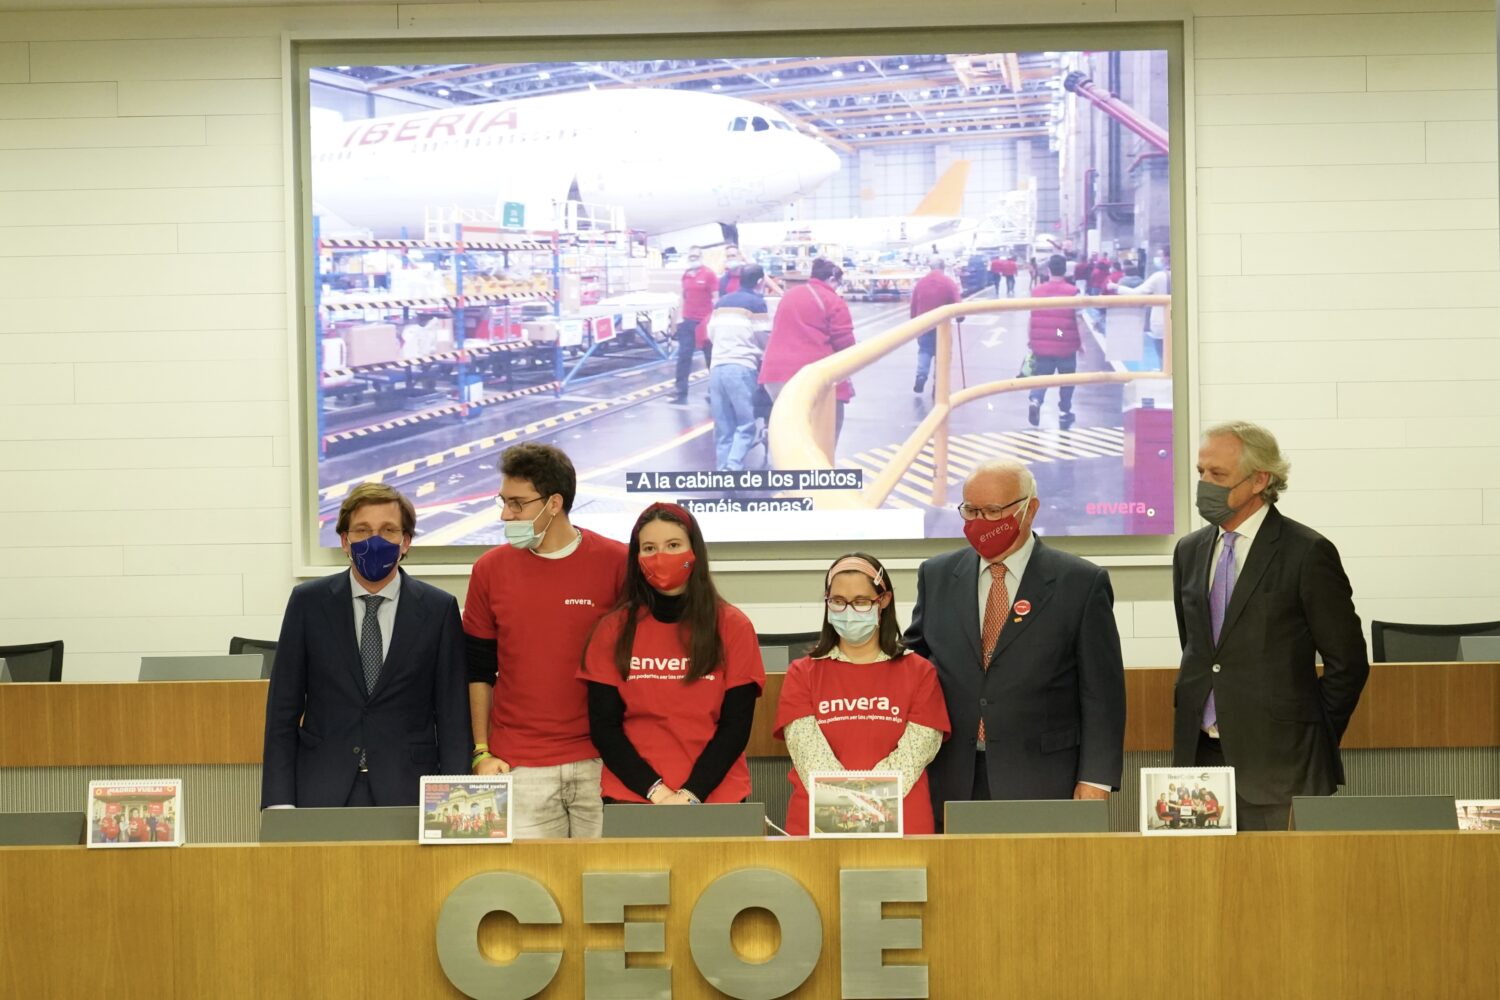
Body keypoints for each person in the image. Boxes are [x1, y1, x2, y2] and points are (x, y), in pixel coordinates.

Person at [904, 459, 1125, 826]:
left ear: (1030, 509)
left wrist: (1095, 778)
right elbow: (915, 665)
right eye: (970, 510)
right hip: (953, 774)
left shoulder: (1080, 583)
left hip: (1045, 776)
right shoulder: (936, 575)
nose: (980, 522)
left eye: (993, 511)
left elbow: (1103, 693)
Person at [1172, 421, 1369, 832]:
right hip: (1199, 766)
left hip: (1282, 767)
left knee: (1281, 875)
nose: (1204, 484)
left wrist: (1310, 735)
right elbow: (1199, 648)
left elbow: (1347, 662)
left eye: (1218, 474)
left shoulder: (1307, 552)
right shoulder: (1189, 551)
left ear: (1260, 480)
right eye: (1201, 472)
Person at [261, 483, 468, 808]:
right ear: (345, 541)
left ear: (406, 541)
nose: (375, 540)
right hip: (321, 788)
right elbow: (282, 712)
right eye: (362, 530)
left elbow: (453, 717)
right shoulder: (308, 603)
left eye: (388, 530)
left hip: (409, 790)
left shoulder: (439, 609)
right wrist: (279, 802)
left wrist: (456, 802)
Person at [465, 443, 627, 838]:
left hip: (602, 763)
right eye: (504, 502)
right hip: (518, 764)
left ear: (554, 503)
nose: (506, 514)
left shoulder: (617, 563)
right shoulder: (488, 570)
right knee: (524, 878)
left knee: (608, 875)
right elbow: (478, 671)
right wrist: (481, 752)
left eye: (517, 504)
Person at [579, 503, 765, 805]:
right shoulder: (612, 630)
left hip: (716, 796)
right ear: (636, 557)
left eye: (673, 545)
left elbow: (735, 728)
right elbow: (605, 729)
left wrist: (691, 794)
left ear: (694, 551)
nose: (660, 556)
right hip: (634, 797)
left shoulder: (733, 626)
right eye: (649, 548)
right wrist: (658, 793)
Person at [773, 554, 950, 835]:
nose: (848, 611)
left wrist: (866, 804)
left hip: (902, 825)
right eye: (838, 601)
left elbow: (915, 753)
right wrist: (848, 806)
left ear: (884, 600)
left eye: (860, 601)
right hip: (818, 825)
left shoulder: (920, 672)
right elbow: (809, 755)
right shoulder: (802, 673)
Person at [759, 257, 856, 442]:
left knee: (789, 433)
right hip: (810, 378)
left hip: (774, 375)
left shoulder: (790, 295)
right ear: (832, 279)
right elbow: (845, 343)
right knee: (822, 437)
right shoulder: (833, 300)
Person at [706, 263, 772, 471]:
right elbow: (763, 336)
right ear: (760, 282)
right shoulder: (756, 303)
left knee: (723, 427)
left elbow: (710, 333)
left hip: (717, 368)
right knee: (745, 424)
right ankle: (732, 468)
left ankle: (722, 471)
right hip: (742, 368)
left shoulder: (722, 302)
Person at [1026, 254, 1083, 430]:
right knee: (1067, 379)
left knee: (1041, 376)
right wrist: (1081, 343)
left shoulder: (1036, 291)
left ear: (1049, 270)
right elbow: (1078, 320)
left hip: (1041, 343)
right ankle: (1064, 411)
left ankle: (1036, 400)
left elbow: (1031, 317)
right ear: (1065, 271)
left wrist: (1030, 339)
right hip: (1064, 339)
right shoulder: (1073, 292)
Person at [909, 255, 962, 395]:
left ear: (930, 267)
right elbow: (957, 303)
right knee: (942, 355)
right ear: (943, 268)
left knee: (924, 351)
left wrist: (913, 323)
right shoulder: (948, 282)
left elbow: (913, 305)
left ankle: (921, 375)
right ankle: (938, 385)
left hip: (924, 324)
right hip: (942, 327)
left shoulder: (921, 283)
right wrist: (960, 317)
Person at [673, 246, 718, 403]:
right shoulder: (686, 275)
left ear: (701, 257)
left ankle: (715, 391)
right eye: (691, 256)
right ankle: (680, 390)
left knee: (710, 357)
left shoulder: (709, 274)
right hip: (688, 321)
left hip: (704, 322)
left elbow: (715, 297)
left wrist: (714, 319)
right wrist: (679, 318)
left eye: (696, 256)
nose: (693, 259)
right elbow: (683, 296)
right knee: (684, 356)